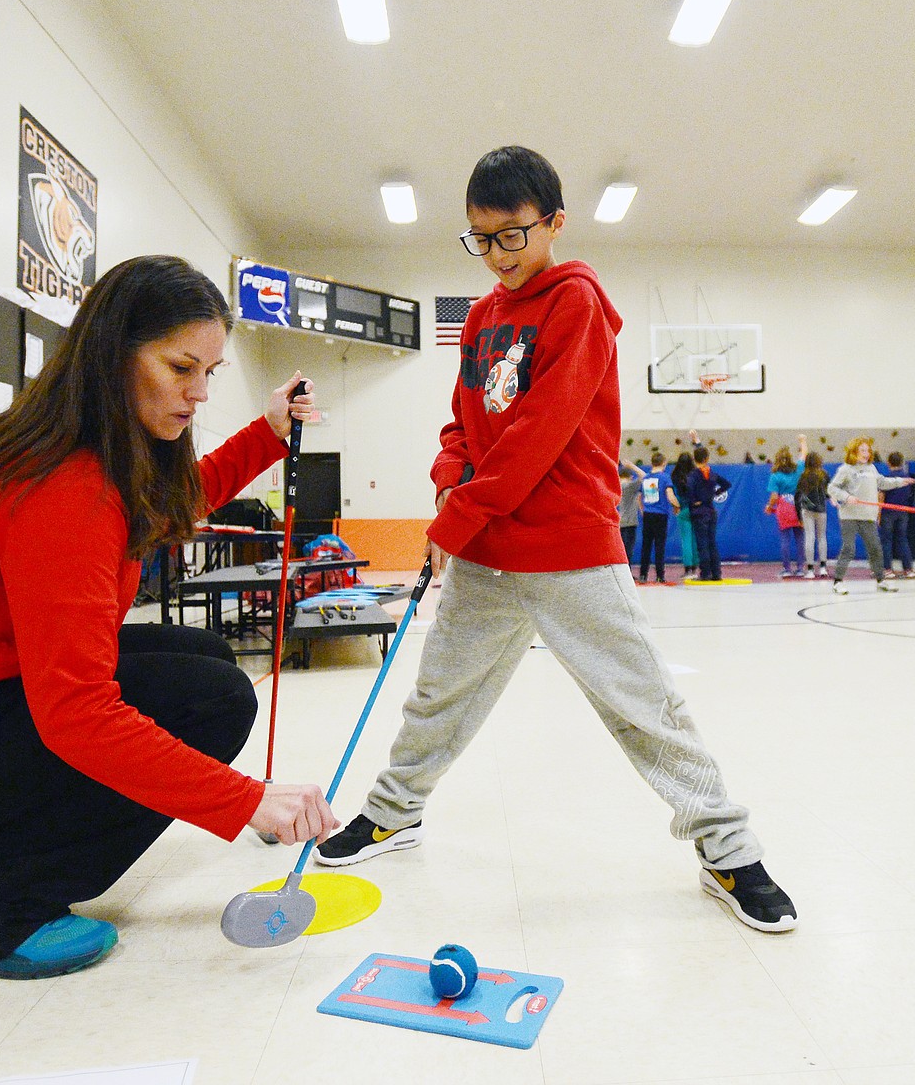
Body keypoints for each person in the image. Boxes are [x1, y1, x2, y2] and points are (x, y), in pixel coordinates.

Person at [0, 255, 339, 980]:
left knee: (204, 660)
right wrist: (245, 801)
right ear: (113, 354)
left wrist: (267, 433)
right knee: (210, 703)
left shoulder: (97, 452)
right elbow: (76, 715)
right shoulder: (67, 488)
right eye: (181, 368)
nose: (199, 393)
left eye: (209, 373)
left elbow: (173, 505)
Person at [314, 146, 797, 934]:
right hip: (486, 553)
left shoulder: (577, 302)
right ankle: (392, 813)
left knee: (645, 707)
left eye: (512, 235)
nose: (498, 256)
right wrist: (446, 477)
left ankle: (728, 851)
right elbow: (464, 422)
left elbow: (536, 436)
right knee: (439, 696)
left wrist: (452, 520)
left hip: (570, 549)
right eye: (479, 238)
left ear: (554, 223)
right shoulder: (478, 317)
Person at [828, 437, 914, 594]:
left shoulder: (871, 468)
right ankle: (838, 582)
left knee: (875, 548)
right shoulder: (846, 469)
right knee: (849, 548)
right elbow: (832, 488)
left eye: (868, 450)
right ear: (854, 451)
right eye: (862, 450)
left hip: (868, 517)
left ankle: (881, 580)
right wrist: (847, 497)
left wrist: (901, 481)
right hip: (849, 517)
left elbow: (882, 482)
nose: (866, 453)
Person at [764, 437, 807, 578]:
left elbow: (774, 496)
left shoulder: (775, 476)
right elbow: (804, 455)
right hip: (799, 506)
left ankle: (787, 569)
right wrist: (802, 441)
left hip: (784, 509)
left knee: (785, 539)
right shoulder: (798, 469)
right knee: (800, 538)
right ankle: (801, 568)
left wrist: (770, 507)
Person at [688, 445, 731, 582]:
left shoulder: (693, 475)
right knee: (712, 542)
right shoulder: (712, 474)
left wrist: (695, 501)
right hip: (711, 511)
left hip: (699, 513)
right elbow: (726, 484)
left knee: (702, 544)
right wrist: (714, 493)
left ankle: (705, 573)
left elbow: (689, 490)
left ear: (695, 459)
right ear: (707, 458)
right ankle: (716, 573)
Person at [638, 450, 678, 583]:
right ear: (664, 463)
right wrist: (677, 505)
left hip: (648, 514)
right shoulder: (665, 477)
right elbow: (670, 495)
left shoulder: (646, 478)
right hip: (660, 515)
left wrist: (643, 510)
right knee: (659, 546)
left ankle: (643, 575)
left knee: (646, 545)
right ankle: (660, 575)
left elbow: (639, 497)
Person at [880, 451, 915, 579]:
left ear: (888, 463)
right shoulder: (907, 478)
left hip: (888, 512)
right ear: (902, 462)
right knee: (902, 540)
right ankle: (908, 569)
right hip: (903, 512)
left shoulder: (887, 478)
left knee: (886, 541)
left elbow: (881, 496)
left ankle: (887, 569)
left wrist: (878, 514)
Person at [796, 451, 830, 578]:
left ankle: (810, 570)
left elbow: (797, 496)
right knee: (822, 537)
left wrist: (799, 516)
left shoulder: (803, 476)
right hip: (821, 510)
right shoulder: (824, 475)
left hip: (807, 510)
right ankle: (823, 568)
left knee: (809, 537)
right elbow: (829, 492)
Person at [671, 447, 698, 579]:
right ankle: (695, 568)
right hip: (696, 509)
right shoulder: (695, 475)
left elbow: (674, 495)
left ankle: (687, 569)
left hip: (683, 509)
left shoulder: (675, 476)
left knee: (686, 539)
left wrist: (676, 506)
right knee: (694, 539)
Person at [618, 458, 646, 563]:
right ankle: (628, 572)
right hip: (630, 521)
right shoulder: (629, 486)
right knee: (628, 549)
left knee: (623, 549)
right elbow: (644, 476)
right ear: (630, 477)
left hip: (621, 521)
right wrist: (632, 466)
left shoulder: (618, 486)